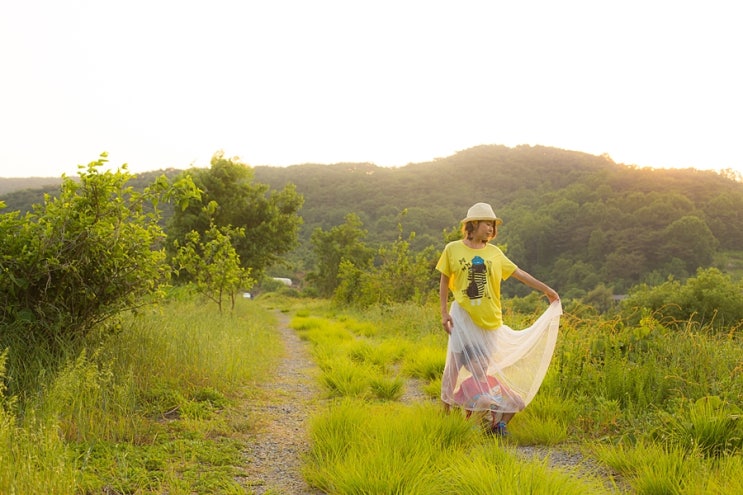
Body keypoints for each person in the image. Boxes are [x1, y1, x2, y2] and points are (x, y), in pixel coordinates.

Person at [437, 202, 561, 436]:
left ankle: (486, 421)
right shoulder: (452, 249)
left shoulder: (494, 253)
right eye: (487, 224)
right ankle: (445, 417)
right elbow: (445, 280)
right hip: (462, 318)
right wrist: (444, 313)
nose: (491, 228)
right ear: (473, 225)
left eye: (493, 225)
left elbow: (520, 274)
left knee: (481, 370)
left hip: (490, 322)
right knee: (452, 368)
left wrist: (547, 290)